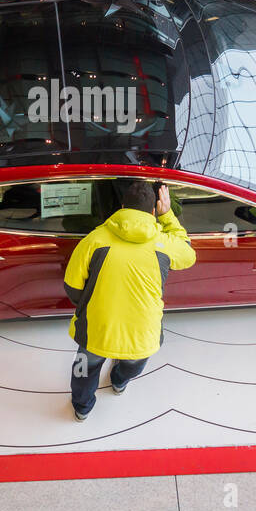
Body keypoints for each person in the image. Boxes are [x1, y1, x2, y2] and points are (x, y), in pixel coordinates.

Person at [62, 180, 195, 420]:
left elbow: (72, 288)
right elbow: (189, 255)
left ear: (122, 206)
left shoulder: (94, 240)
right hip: (142, 335)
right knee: (134, 362)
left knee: (84, 370)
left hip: (96, 332)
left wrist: (94, 303)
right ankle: (119, 382)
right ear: (153, 211)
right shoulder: (164, 244)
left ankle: (82, 408)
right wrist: (168, 217)